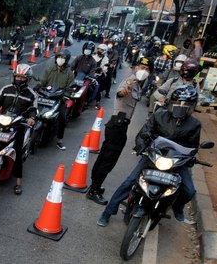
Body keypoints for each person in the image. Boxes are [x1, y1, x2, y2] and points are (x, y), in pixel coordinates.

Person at [98, 85, 202, 226]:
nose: (181, 107)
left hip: (176, 161)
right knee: (129, 182)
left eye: (186, 105)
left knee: (189, 191)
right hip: (153, 156)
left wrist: (190, 158)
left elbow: (193, 146)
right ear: (171, 102)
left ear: (192, 107)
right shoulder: (159, 115)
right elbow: (143, 133)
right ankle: (108, 212)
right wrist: (142, 146)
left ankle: (177, 208)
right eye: (178, 103)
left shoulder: (194, 124)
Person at [86, 57, 153, 205]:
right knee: (109, 159)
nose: (143, 70)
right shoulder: (130, 82)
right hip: (117, 125)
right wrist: (124, 91)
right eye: (141, 67)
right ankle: (94, 190)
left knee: (104, 156)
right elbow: (121, 93)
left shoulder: (139, 84)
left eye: (147, 69)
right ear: (136, 68)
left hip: (119, 125)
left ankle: (95, 185)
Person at [0, 63, 38, 193]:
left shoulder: (32, 95)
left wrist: (31, 118)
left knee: (16, 151)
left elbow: (33, 111)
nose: (19, 79)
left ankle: (18, 181)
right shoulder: (6, 89)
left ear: (28, 79)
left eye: (22, 78)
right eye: (17, 76)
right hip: (1, 122)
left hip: (18, 125)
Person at [39, 50, 75, 150]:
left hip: (60, 99)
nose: (60, 59)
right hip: (46, 96)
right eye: (59, 57)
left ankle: (59, 140)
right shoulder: (50, 69)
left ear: (66, 60)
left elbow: (70, 88)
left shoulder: (69, 73)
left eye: (62, 58)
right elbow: (43, 81)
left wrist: (66, 95)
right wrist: (38, 86)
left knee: (62, 119)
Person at [91, 44, 110, 109]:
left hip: (98, 75)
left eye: (101, 50)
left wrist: (102, 70)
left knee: (97, 88)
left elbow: (105, 69)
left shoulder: (105, 59)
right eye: (98, 49)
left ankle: (97, 102)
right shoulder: (93, 56)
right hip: (90, 74)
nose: (99, 50)